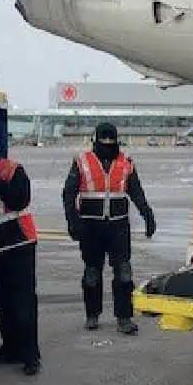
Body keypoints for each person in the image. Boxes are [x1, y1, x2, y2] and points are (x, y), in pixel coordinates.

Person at [62, 124, 156, 335]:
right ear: (95, 140)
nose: (107, 144)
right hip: (90, 227)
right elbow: (68, 194)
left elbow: (136, 192)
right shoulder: (82, 161)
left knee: (124, 272)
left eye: (110, 140)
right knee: (92, 273)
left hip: (119, 227)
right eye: (103, 140)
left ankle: (124, 317)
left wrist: (147, 215)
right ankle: (92, 314)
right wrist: (73, 221)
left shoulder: (126, 163)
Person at [0, 132, 41, 376]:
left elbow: (18, 200)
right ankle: (11, 348)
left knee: (22, 303)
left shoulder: (11, 169)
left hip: (18, 243)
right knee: (1, 304)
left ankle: (30, 355)